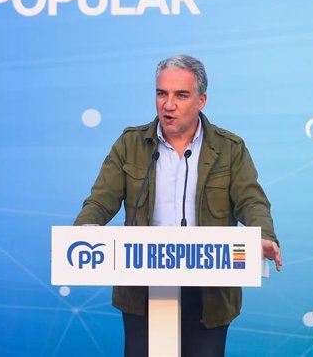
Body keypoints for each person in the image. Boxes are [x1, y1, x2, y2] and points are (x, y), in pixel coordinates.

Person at [73, 55, 281, 357]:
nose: (168, 105)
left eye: (181, 95)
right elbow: (100, 200)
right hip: (142, 288)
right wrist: (82, 233)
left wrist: (264, 234)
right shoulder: (130, 144)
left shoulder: (229, 149)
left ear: (201, 100)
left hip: (209, 292)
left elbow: (252, 200)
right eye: (162, 93)